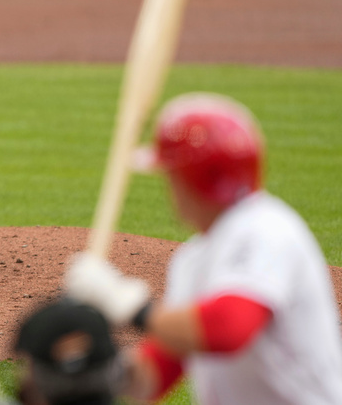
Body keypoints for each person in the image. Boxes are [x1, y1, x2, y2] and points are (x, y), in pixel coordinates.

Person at [64, 92, 342, 403]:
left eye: (172, 174)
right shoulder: (193, 259)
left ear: (194, 179)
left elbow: (229, 327)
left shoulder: (267, 228)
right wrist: (99, 375)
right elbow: (157, 375)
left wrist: (127, 302)